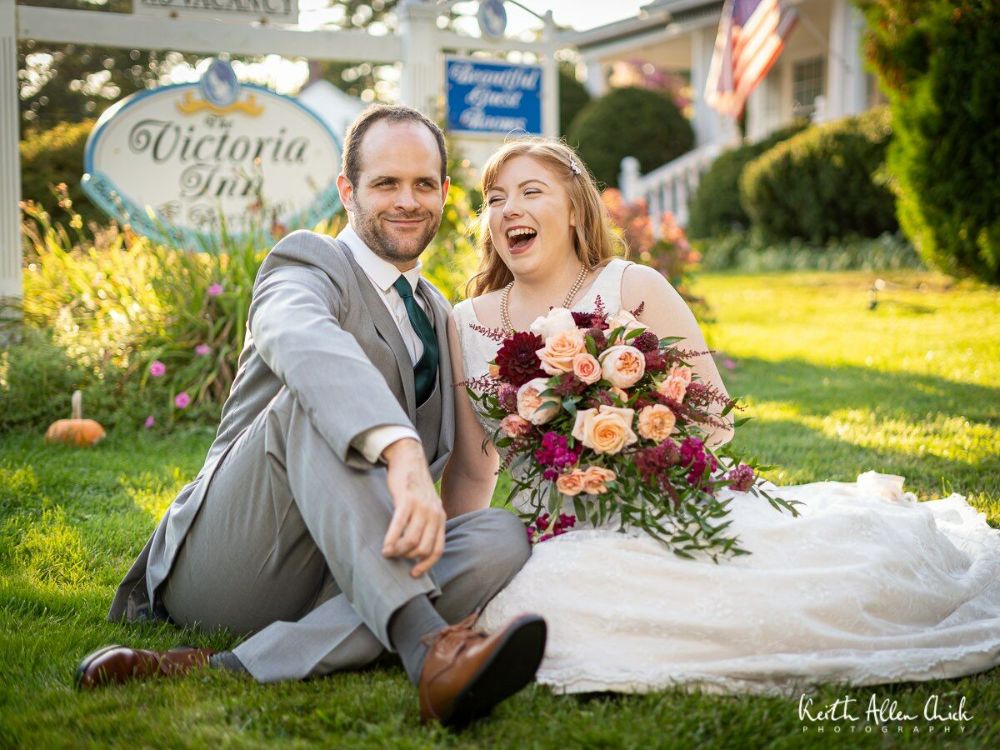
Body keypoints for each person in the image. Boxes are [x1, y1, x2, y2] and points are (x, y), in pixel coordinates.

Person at [451, 137, 1000, 695]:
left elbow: (714, 417)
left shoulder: (630, 286)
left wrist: (628, 446)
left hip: (663, 506)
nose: (509, 209)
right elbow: (475, 468)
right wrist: (451, 565)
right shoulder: (464, 321)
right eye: (495, 199)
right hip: (551, 529)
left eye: (530, 191)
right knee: (536, 604)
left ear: (573, 210)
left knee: (828, 585)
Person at [78, 105, 547, 729]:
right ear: (347, 191)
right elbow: (298, 336)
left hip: (350, 565)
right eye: (386, 183)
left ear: (443, 193)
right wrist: (400, 452)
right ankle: (428, 646)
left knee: (498, 536)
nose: (407, 201)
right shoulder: (306, 264)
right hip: (241, 558)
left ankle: (229, 666)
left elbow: (467, 464)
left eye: (423, 184)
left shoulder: (438, 312)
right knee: (311, 399)